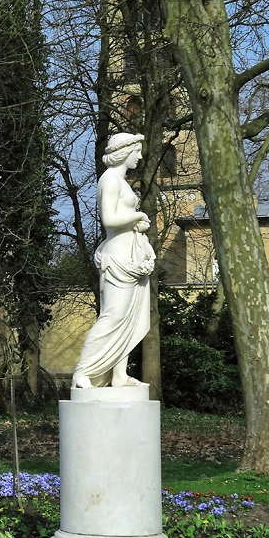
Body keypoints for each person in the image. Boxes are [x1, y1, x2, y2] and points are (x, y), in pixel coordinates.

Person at [71, 132, 155, 389]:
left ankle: (118, 376)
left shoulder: (121, 182)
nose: (140, 157)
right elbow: (109, 220)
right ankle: (82, 372)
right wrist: (138, 215)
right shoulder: (109, 180)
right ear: (124, 152)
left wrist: (138, 225)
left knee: (128, 320)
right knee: (113, 316)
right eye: (136, 151)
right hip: (117, 258)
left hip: (132, 256)